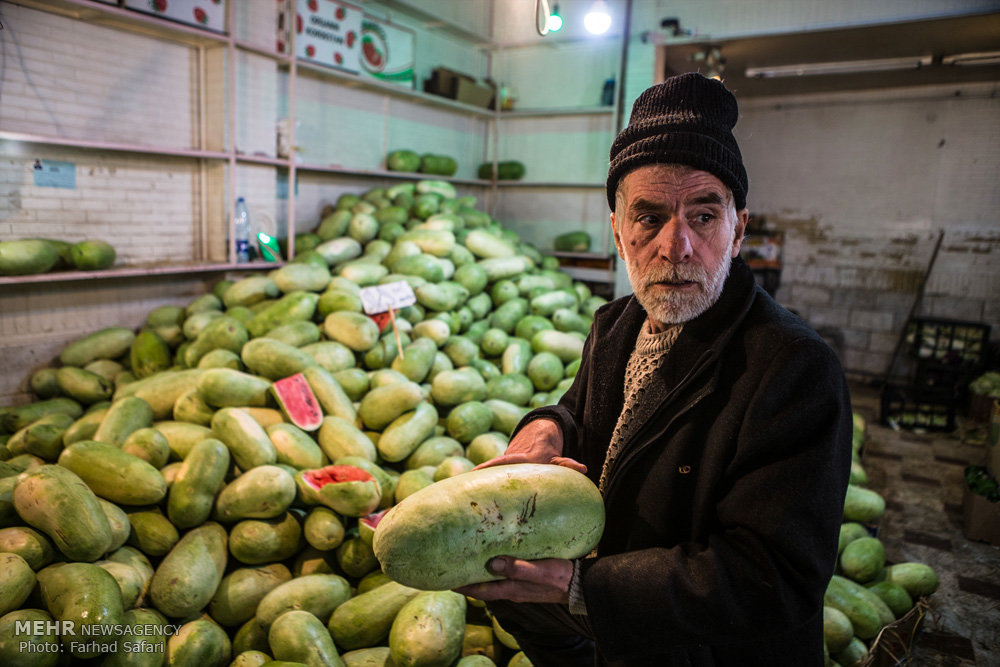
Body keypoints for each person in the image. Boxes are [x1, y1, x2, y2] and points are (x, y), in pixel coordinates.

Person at [454, 73, 853, 666]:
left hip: (706, 649)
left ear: (738, 230)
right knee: (507, 597)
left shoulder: (794, 367)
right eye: (648, 218)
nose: (676, 246)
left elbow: (776, 577)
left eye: (703, 216)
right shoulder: (616, 325)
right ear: (618, 233)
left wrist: (580, 587)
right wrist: (549, 426)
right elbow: (586, 415)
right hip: (623, 626)